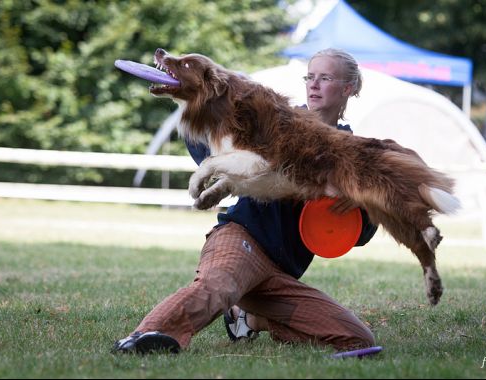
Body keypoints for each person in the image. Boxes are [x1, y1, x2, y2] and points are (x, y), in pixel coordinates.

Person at [112, 48, 378, 354]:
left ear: (349, 88)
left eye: (325, 78)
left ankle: (251, 319)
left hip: (281, 274)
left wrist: (355, 202)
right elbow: (207, 143)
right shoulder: (275, 116)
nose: (314, 84)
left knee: (356, 337)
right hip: (241, 239)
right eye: (310, 76)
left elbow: (360, 233)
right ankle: (144, 337)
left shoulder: (353, 152)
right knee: (216, 287)